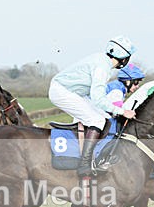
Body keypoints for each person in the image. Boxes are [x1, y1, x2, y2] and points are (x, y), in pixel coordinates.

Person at [48, 35, 136, 176]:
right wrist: (122, 111)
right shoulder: (103, 67)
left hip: (74, 92)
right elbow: (98, 99)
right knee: (97, 120)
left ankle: (96, 156)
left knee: (104, 117)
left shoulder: (103, 61)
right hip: (62, 91)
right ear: (124, 58)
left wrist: (115, 111)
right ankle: (85, 164)